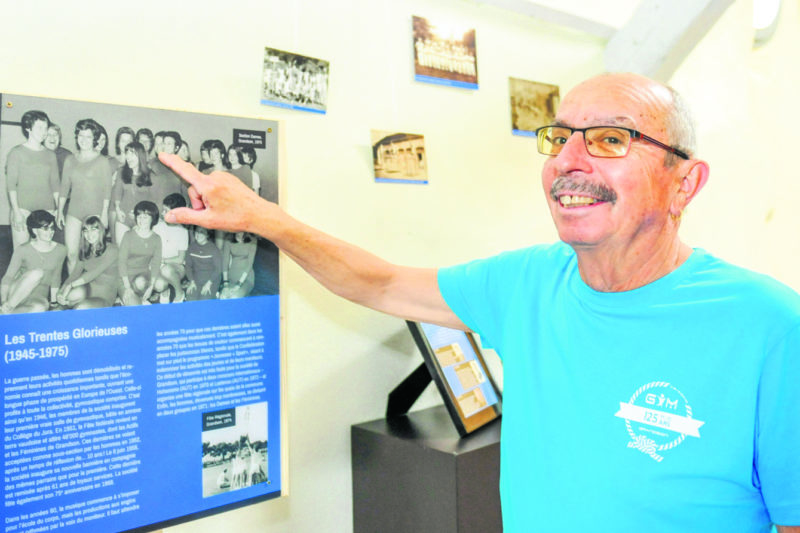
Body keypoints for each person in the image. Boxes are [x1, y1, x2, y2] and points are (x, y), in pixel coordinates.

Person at [159, 72, 800, 532]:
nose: (569, 161)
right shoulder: (525, 283)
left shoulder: (767, 323)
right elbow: (378, 282)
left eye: (609, 140)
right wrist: (264, 217)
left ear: (684, 182)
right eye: (560, 138)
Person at [57, 118, 112, 272]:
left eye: (88, 137)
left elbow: (108, 189)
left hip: (95, 212)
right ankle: (70, 287)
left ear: (94, 139)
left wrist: (104, 214)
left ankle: (93, 290)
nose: (84, 140)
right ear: (77, 137)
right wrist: (60, 211)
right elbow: (64, 187)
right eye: (81, 136)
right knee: (71, 254)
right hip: (74, 212)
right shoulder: (70, 160)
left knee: (94, 255)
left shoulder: (102, 161)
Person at [5, 110, 60, 248]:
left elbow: (55, 184)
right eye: (39, 128)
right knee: (21, 252)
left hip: (46, 208)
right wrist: (16, 211)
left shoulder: (50, 155)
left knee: (42, 252)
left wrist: (58, 208)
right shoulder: (16, 153)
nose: (44, 132)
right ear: (28, 128)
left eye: (45, 128)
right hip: (23, 208)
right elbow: (11, 185)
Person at [0, 211, 66, 314]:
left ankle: (5, 314)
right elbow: (8, 277)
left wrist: (54, 304)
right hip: (17, 292)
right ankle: (8, 307)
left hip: (38, 296)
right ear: (35, 230)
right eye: (45, 228)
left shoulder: (61, 250)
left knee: (39, 308)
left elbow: (56, 278)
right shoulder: (23, 249)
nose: (50, 232)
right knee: (37, 273)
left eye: (52, 228)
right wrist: (4, 301)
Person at [56, 215, 118, 309]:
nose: (89, 234)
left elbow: (93, 273)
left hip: (104, 295)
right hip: (88, 289)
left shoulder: (112, 250)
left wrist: (70, 286)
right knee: (69, 296)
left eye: (93, 229)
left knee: (80, 308)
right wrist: (61, 291)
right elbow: (75, 273)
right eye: (86, 231)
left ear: (100, 231)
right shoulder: (85, 250)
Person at [117, 200, 161, 306]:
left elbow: (156, 263)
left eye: (145, 217)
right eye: (139, 216)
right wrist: (127, 287)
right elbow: (121, 262)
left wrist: (151, 286)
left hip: (143, 275)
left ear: (152, 219)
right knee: (134, 308)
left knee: (143, 283)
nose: (141, 220)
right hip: (124, 277)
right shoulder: (128, 235)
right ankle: (134, 299)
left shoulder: (156, 238)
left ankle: (139, 297)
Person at [112, 141, 157, 244]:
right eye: (127, 153)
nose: (128, 157)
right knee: (122, 251)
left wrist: (140, 213)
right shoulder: (121, 172)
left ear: (140, 156)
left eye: (132, 154)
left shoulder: (151, 175)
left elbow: (153, 200)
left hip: (142, 220)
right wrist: (118, 209)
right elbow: (117, 192)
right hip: (122, 218)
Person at [152, 193, 189, 303]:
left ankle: (179, 292)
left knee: (167, 270)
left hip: (176, 267)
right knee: (159, 285)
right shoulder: (157, 227)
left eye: (166, 211)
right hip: (159, 265)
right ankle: (165, 289)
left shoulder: (182, 231)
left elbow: (180, 259)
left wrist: (163, 260)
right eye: (163, 210)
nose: (162, 214)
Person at [184, 226, 222, 301]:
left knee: (204, 300)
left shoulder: (213, 249)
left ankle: (215, 295)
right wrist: (191, 281)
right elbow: (188, 266)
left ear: (207, 235)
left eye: (202, 232)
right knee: (190, 298)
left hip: (211, 280)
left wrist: (208, 284)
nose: (198, 235)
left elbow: (218, 269)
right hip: (196, 279)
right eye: (197, 232)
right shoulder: (191, 247)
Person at [219, 231, 256, 299]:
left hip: (246, 278)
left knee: (235, 297)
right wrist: (225, 284)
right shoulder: (228, 239)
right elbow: (225, 262)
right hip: (231, 276)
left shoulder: (252, 240)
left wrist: (238, 285)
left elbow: (249, 264)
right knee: (223, 297)